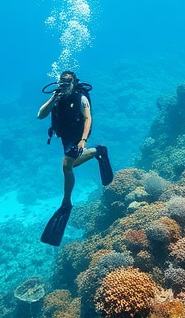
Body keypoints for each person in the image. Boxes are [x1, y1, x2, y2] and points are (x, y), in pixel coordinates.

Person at [38, 70, 112, 246]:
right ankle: (98, 151)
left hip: (78, 134)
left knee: (66, 164)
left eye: (68, 83)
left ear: (73, 82)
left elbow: (88, 118)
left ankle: (66, 202)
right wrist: (53, 99)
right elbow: (40, 115)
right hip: (66, 136)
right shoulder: (56, 97)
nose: (64, 86)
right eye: (61, 83)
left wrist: (83, 140)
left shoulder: (81, 97)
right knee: (72, 165)